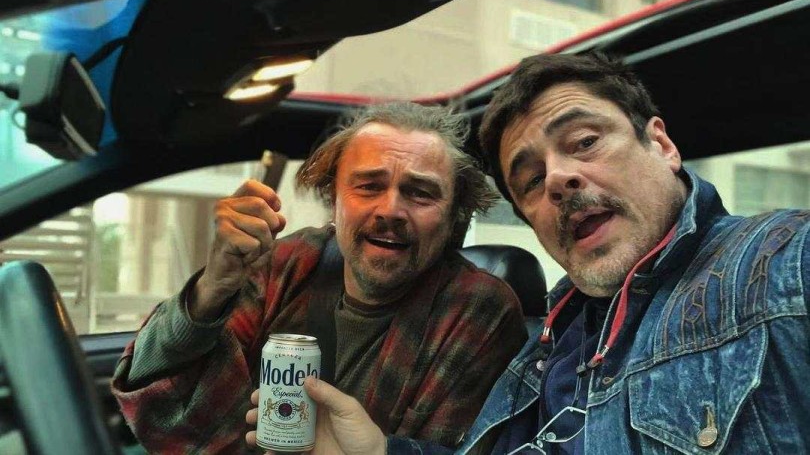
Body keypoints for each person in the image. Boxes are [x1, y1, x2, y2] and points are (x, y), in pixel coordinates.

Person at [250, 53, 810, 454]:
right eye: (531, 179)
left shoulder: (780, 262)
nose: (559, 179)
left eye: (585, 142)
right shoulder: (544, 351)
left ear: (661, 145)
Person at [112, 102, 528, 453]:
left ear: (454, 216)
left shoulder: (478, 310)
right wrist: (211, 289)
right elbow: (154, 384)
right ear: (334, 200)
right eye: (368, 186)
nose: (390, 211)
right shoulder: (286, 263)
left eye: (420, 193)